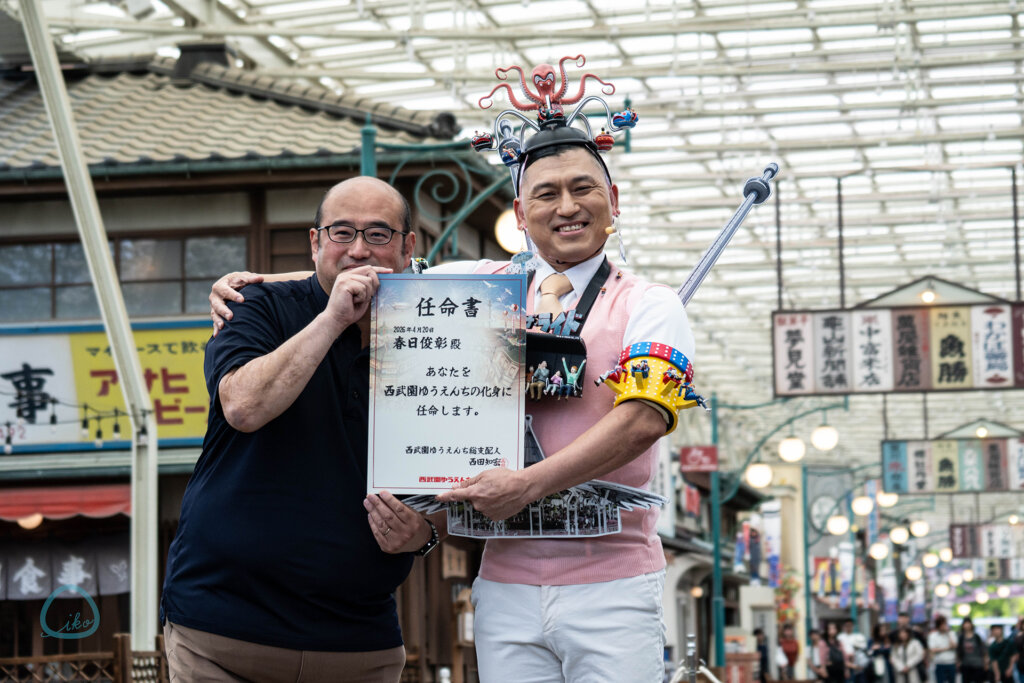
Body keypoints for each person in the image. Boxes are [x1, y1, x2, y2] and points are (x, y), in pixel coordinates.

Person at [209, 62, 699, 681]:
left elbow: (642, 423)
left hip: (615, 582)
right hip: (502, 583)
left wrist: (527, 484)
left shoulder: (650, 304)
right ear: (520, 213)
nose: (567, 207)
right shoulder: (481, 289)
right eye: (545, 194)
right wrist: (250, 283)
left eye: (584, 189)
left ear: (613, 202)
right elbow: (367, 278)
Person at [162, 177, 444, 682]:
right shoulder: (256, 307)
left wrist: (424, 535)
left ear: (408, 248)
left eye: (378, 235)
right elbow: (244, 406)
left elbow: (466, 473)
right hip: (222, 631)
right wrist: (332, 319)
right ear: (315, 242)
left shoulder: (441, 329)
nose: (359, 250)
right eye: (342, 233)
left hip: (360, 641)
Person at [957, 617, 989, 683]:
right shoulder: (961, 638)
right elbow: (959, 651)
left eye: (968, 623)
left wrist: (985, 662)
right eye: (965, 623)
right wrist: (958, 662)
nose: (967, 625)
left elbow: (983, 650)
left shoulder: (977, 637)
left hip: (978, 665)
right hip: (965, 665)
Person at [929, 614, 958, 683]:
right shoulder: (933, 636)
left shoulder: (952, 634)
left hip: (951, 663)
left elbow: (954, 646)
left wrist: (948, 634)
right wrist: (947, 648)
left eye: (945, 624)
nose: (943, 626)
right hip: (939, 663)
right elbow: (933, 649)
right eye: (941, 624)